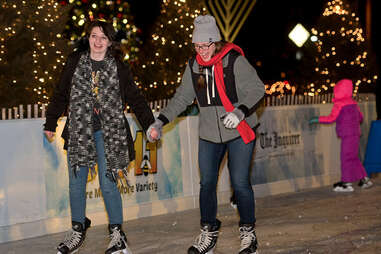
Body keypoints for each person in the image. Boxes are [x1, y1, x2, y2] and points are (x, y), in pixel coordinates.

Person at [147, 14, 264, 254]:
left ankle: (248, 233)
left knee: (240, 182)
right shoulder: (194, 66)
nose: (201, 51)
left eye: (205, 45)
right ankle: (209, 231)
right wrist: (160, 121)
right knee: (207, 183)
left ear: (216, 42)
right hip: (210, 134)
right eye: (197, 46)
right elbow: (182, 97)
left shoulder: (234, 61)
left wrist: (240, 111)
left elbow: (257, 89)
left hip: (239, 130)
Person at [44, 20, 155, 254]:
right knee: (76, 183)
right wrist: (51, 122)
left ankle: (117, 233)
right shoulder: (75, 62)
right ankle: (77, 229)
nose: (97, 41)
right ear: (89, 38)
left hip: (109, 132)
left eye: (103, 37)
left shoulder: (119, 67)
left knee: (108, 182)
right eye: (94, 36)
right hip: (79, 131)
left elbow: (135, 98)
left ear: (110, 42)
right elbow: (61, 91)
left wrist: (149, 124)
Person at [309, 79, 373, 192]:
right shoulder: (353, 103)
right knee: (353, 157)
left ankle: (346, 183)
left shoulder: (339, 104)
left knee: (346, 158)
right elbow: (361, 117)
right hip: (355, 135)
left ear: (338, 91)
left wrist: (318, 119)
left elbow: (331, 119)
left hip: (347, 135)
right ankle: (365, 179)